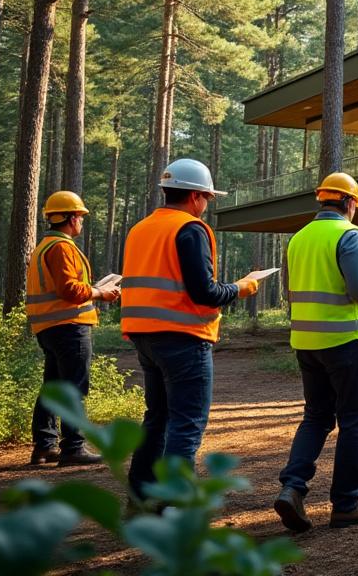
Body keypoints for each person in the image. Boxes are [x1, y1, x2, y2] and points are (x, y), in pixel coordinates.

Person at [121, 159, 257, 501]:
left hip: (144, 335)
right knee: (187, 423)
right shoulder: (190, 229)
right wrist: (240, 288)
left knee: (157, 418)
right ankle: (175, 502)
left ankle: (140, 494)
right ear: (196, 196)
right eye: (207, 197)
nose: (206, 204)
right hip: (183, 337)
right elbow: (204, 293)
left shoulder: (140, 229)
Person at [275, 172, 358, 532]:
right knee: (355, 420)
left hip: (307, 342)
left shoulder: (299, 238)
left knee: (316, 417)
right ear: (349, 202)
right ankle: (346, 504)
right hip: (346, 341)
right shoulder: (349, 234)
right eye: (355, 204)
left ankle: (292, 488)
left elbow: (291, 290)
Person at [26, 191, 120, 466]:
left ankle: (45, 446)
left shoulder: (44, 246)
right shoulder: (62, 248)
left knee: (54, 387)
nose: (81, 221)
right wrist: (101, 292)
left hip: (49, 327)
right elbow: (69, 289)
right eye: (80, 216)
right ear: (70, 218)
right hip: (69, 327)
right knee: (73, 387)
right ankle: (73, 448)